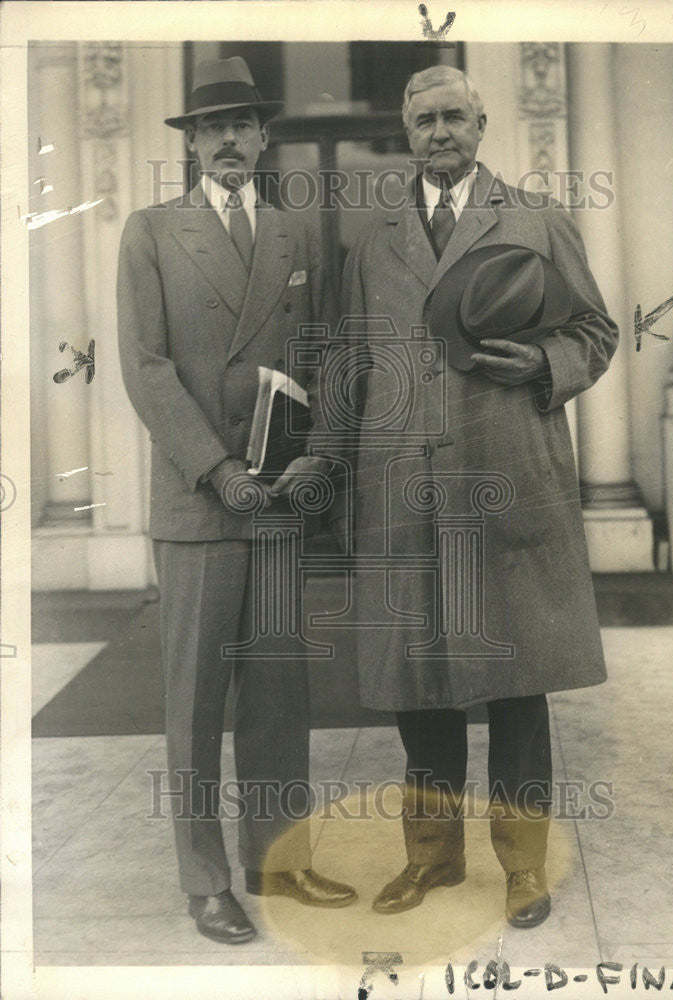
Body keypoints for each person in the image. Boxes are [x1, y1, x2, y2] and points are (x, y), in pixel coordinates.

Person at [338, 65, 618, 928]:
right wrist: (343, 471)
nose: (440, 134)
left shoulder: (535, 218)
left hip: (505, 482)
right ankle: (431, 858)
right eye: (424, 121)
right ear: (404, 128)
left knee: (515, 680)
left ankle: (522, 867)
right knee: (417, 682)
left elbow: (596, 332)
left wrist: (543, 363)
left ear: (484, 122)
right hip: (405, 489)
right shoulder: (373, 232)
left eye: (454, 117)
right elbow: (351, 358)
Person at [117, 56, 356, 946]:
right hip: (201, 502)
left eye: (239, 126)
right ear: (190, 144)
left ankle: (277, 860)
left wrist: (321, 455)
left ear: (263, 138)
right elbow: (146, 371)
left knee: (278, 697)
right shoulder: (149, 232)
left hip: (281, 503)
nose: (225, 141)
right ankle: (204, 880)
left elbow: (331, 356)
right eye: (208, 128)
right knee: (195, 701)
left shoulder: (298, 233)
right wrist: (217, 468)